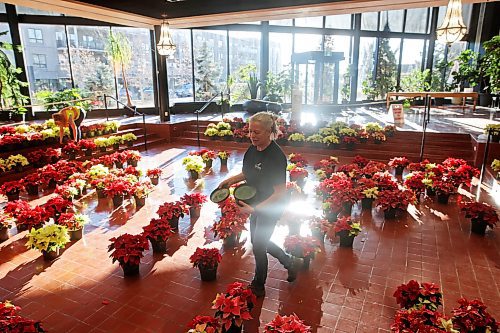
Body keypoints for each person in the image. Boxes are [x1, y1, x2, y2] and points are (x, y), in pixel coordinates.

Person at [218, 112, 297, 297]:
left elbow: (280, 192)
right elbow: (247, 173)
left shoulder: (276, 157)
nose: (252, 136)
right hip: (256, 201)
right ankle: (290, 261)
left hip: (271, 206)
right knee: (257, 241)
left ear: (270, 131)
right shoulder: (252, 149)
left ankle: (258, 284)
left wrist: (255, 209)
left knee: (259, 245)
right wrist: (229, 181)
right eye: (250, 131)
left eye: (257, 132)